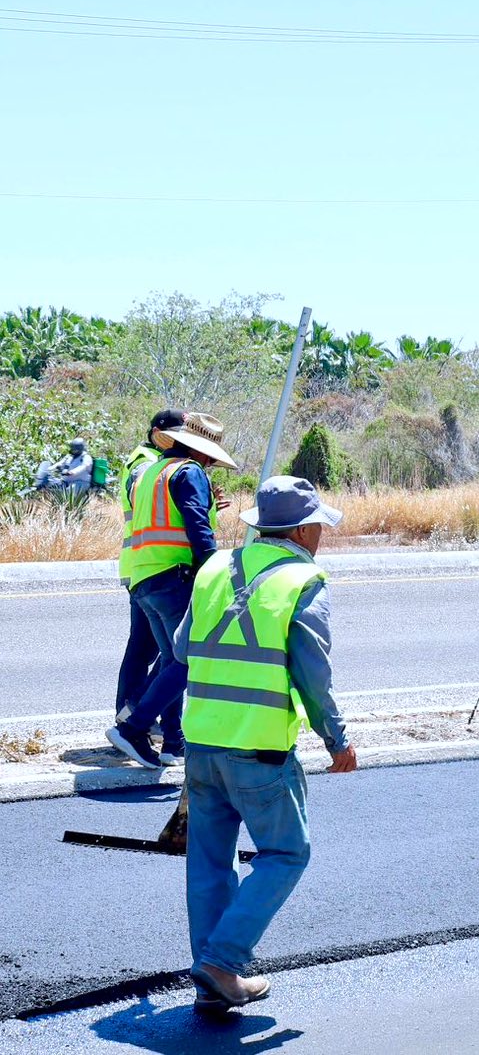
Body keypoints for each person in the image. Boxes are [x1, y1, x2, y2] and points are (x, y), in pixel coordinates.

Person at [176, 475, 358, 1010]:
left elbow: (184, 647)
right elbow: (312, 673)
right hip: (258, 748)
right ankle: (221, 961)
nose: (322, 536)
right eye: (319, 526)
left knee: (209, 861)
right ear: (302, 530)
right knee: (286, 853)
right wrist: (336, 739)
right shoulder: (304, 580)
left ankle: (213, 984)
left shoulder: (215, 567)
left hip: (201, 741)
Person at [108, 412, 237, 769]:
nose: (211, 463)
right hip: (174, 577)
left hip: (143, 577)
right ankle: (133, 727)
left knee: (170, 659)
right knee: (189, 658)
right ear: (200, 451)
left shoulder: (150, 471)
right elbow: (197, 524)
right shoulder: (188, 471)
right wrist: (216, 572)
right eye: (210, 456)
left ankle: (173, 741)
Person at [114, 411, 183, 726]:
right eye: (173, 433)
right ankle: (134, 715)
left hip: (146, 564)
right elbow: (143, 495)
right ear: (157, 432)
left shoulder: (158, 459)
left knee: (155, 650)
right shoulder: (145, 461)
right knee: (153, 650)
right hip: (150, 564)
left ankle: (141, 716)